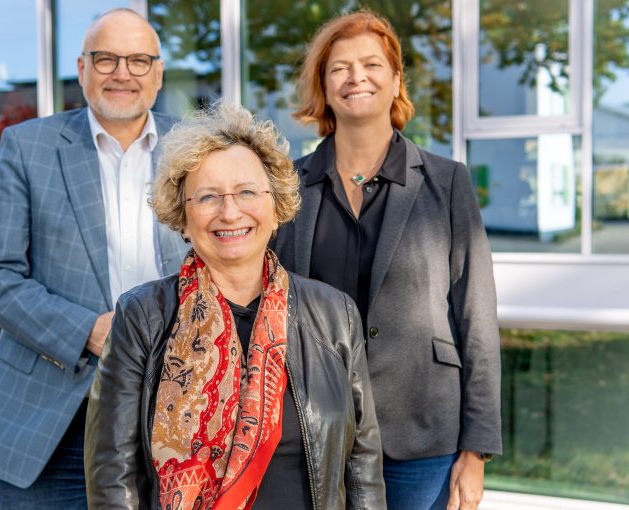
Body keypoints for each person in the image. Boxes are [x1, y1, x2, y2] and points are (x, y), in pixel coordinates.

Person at [83, 102, 387, 510]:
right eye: (207, 196)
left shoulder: (335, 315)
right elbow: (112, 477)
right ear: (183, 218)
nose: (229, 212)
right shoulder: (142, 316)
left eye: (246, 192)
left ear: (276, 207)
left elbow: (363, 466)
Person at [273, 10, 502, 510]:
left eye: (372, 64)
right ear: (324, 86)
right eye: (340, 68)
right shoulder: (287, 188)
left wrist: (476, 450)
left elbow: (477, 318)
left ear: (396, 79)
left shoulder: (447, 182)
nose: (357, 77)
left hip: (422, 438)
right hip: (312, 431)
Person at [0, 8, 186, 508]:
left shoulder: (195, 149)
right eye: (105, 58)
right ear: (82, 69)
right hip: (54, 421)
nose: (122, 73)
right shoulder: (28, 146)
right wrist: (88, 330)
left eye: (137, 60)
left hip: (174, 414)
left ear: (157, 72)